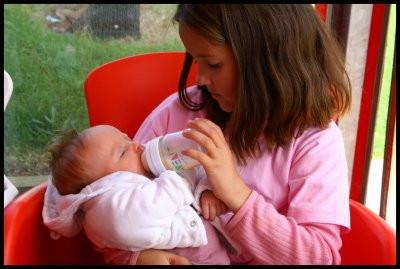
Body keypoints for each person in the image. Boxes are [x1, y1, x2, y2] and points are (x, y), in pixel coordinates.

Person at [131, 4, 352, 265]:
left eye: (213, 64)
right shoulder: (177, 114)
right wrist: (135, 257)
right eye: (194, 60)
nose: (200, 78)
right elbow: (111, 196)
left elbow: (318, 258)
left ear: (268, 60)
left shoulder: (316, 142)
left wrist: (235, 193)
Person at [42, 124, 232, 265]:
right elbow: (137, 217)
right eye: (123, 152)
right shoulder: (104, 209)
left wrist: (205, 190)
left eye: (128, 138)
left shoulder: (150, 177)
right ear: (102, 184)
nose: (138, 145)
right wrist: (175, 186)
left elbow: (192, 171)